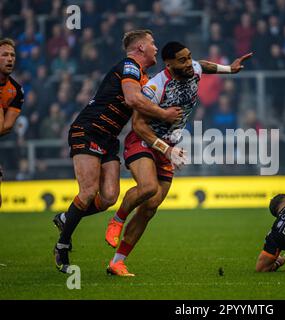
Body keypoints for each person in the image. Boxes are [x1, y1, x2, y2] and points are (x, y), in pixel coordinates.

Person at [104, 41, 252, 276]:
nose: (188, 63)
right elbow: (139, 126)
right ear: (169, 64)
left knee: (150, 209)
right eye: (182, 60)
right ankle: (117, 220)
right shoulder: (155, 86)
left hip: (168, 146)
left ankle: (117, 262)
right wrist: (167, 150)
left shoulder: (193, 68)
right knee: (148, 188)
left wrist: (228, 70)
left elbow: (203, 65)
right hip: (143, 141)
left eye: (189, 57)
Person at [52, 30, 183, 273]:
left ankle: (65, 219)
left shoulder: (144, 77)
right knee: (89, 192)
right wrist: (164, 114)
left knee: (109, 197)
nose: (156, 48)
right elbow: (133, 99)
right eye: (153, 44)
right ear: (141, 47)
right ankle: (62, 244)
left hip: (109, 138)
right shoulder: (129, 66)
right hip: (89, 129)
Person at [0, 38, 24, 208]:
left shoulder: (16, 90)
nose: (10, 59)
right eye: (5, 55)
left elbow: (5, 127)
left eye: (12, 55)